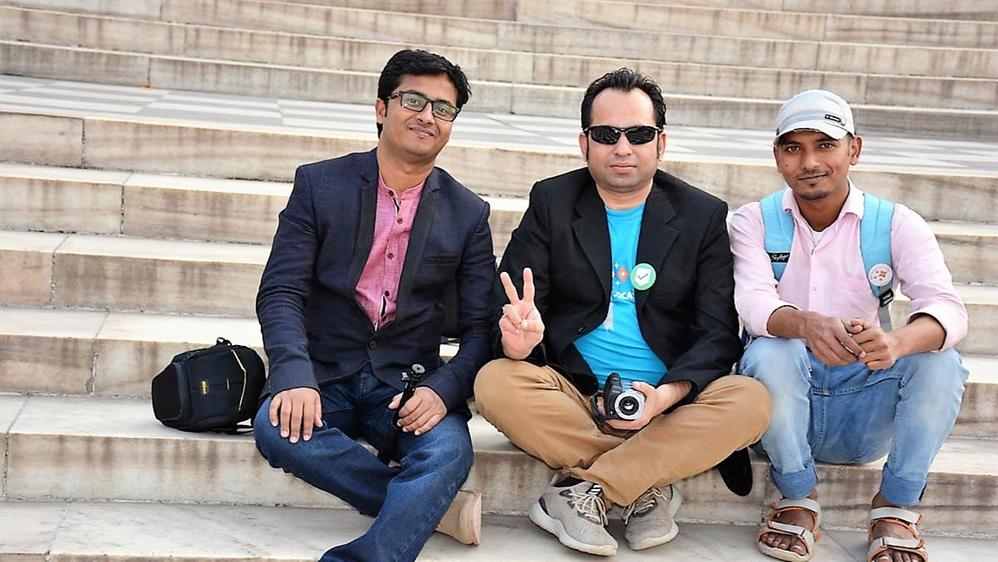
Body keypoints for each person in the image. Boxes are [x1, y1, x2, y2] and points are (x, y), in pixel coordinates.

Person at [473, 68, 772, 557]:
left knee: (752, 398)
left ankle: (587, 490)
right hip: (577, 396)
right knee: (495, 381)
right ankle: (644, 482)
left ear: (661, 143)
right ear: (584, 142)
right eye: (606, 135)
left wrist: (663, 397)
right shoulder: (552, 201)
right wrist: (517, 342)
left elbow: (718, 335)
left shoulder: (701, 215)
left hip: (668, 403)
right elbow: (511, 307)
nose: (622, 147)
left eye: (639, 134)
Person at [253, 49, 495, 562]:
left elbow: (480, 328)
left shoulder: (469, 212)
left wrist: (443, 387)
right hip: (326, 374)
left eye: (443, 108)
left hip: (406, 385)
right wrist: (293, 373)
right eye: (414, 100)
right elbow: (281, 291)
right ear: (382, 108)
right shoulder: (320, 185)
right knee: (275, 427)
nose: (427, 116)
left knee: (449, 451)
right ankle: (430, 508)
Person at [730, 89, 969, 562]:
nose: (810, 161)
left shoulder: (897, 223)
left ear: (853, 149)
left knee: (942, 364)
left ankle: (895, 506)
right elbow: (751, 301)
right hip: (778, 410)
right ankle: (796, 496)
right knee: (771, 348)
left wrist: (895, 343)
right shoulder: (753, 221)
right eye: (793, 147)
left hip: (862, 406)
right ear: (777, 156)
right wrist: (804, 324)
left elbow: (948, 308)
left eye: (825, 144)